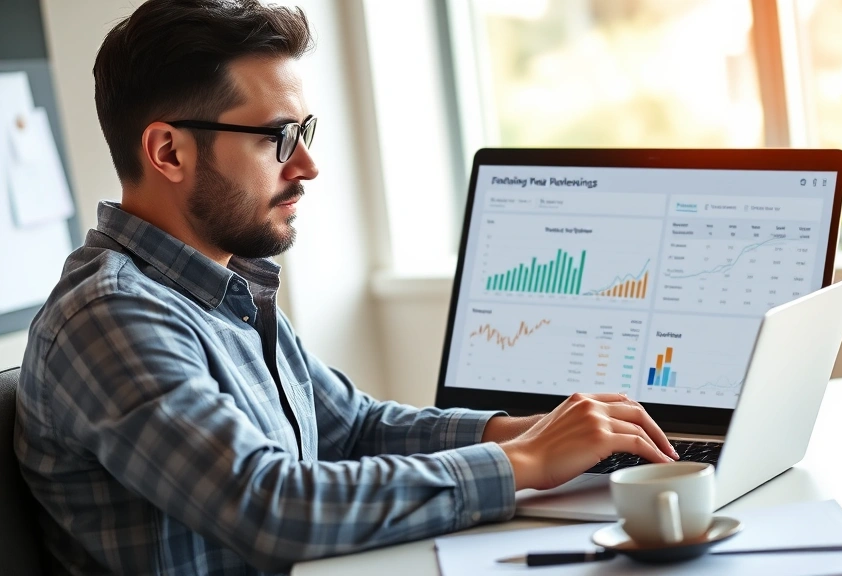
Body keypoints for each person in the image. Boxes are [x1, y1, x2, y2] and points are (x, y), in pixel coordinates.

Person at [14, 1, 678, 574]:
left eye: (304, 131)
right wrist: (521, 462)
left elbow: (353, 428)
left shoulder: (222, 286)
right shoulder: (111, 318)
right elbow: (272, 508)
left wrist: (528, 431)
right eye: (277, 138)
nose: (308, 165)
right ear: (169, 153)